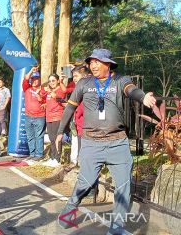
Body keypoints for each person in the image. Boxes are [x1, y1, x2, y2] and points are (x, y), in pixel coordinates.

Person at [56, 48, 156, 234]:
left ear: (108, 64)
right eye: (91, 62)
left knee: (123, 187)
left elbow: (131, 89)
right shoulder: (84, 83)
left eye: (97, 61)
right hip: (92, 143)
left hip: (117, 143)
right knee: (85, 183)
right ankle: (68, 212)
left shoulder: (120, 80)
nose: (93, 65)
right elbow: (69, 109)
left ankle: (116, 229)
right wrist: (60, 132)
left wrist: (143, 97)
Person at [68, 65, 90, 170]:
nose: (74, 79)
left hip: (88, 127)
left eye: (76, 76)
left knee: (86, 153)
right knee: (80, 149)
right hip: (79, 126)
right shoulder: (77, 89)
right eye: (73, 76)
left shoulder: (89, 90)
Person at [22, 66, 47, 161]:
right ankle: (32, 154)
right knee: (30, 136)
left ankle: (39, 154)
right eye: (33, 79)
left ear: (40, 80)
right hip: (28, 116)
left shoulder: (43, 90)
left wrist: (42, 100)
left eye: (37, 79)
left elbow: (47, 102)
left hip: (40, 116)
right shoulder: (27, 88)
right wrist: (32, 70)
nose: (35, 81)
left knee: (39, 136)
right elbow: (25, 78)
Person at [42, 74, 67, 167]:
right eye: (50, 81)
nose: (51, 83)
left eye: (53, 80)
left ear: (57, 81)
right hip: (49, 117)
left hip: (57, 116)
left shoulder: (60, 89)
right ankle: (52, 157)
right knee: (51, 139)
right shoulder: (49, 91)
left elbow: (60, 98)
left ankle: (57, 158)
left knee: (57, 139)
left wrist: (52, 93)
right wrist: (44, 103)